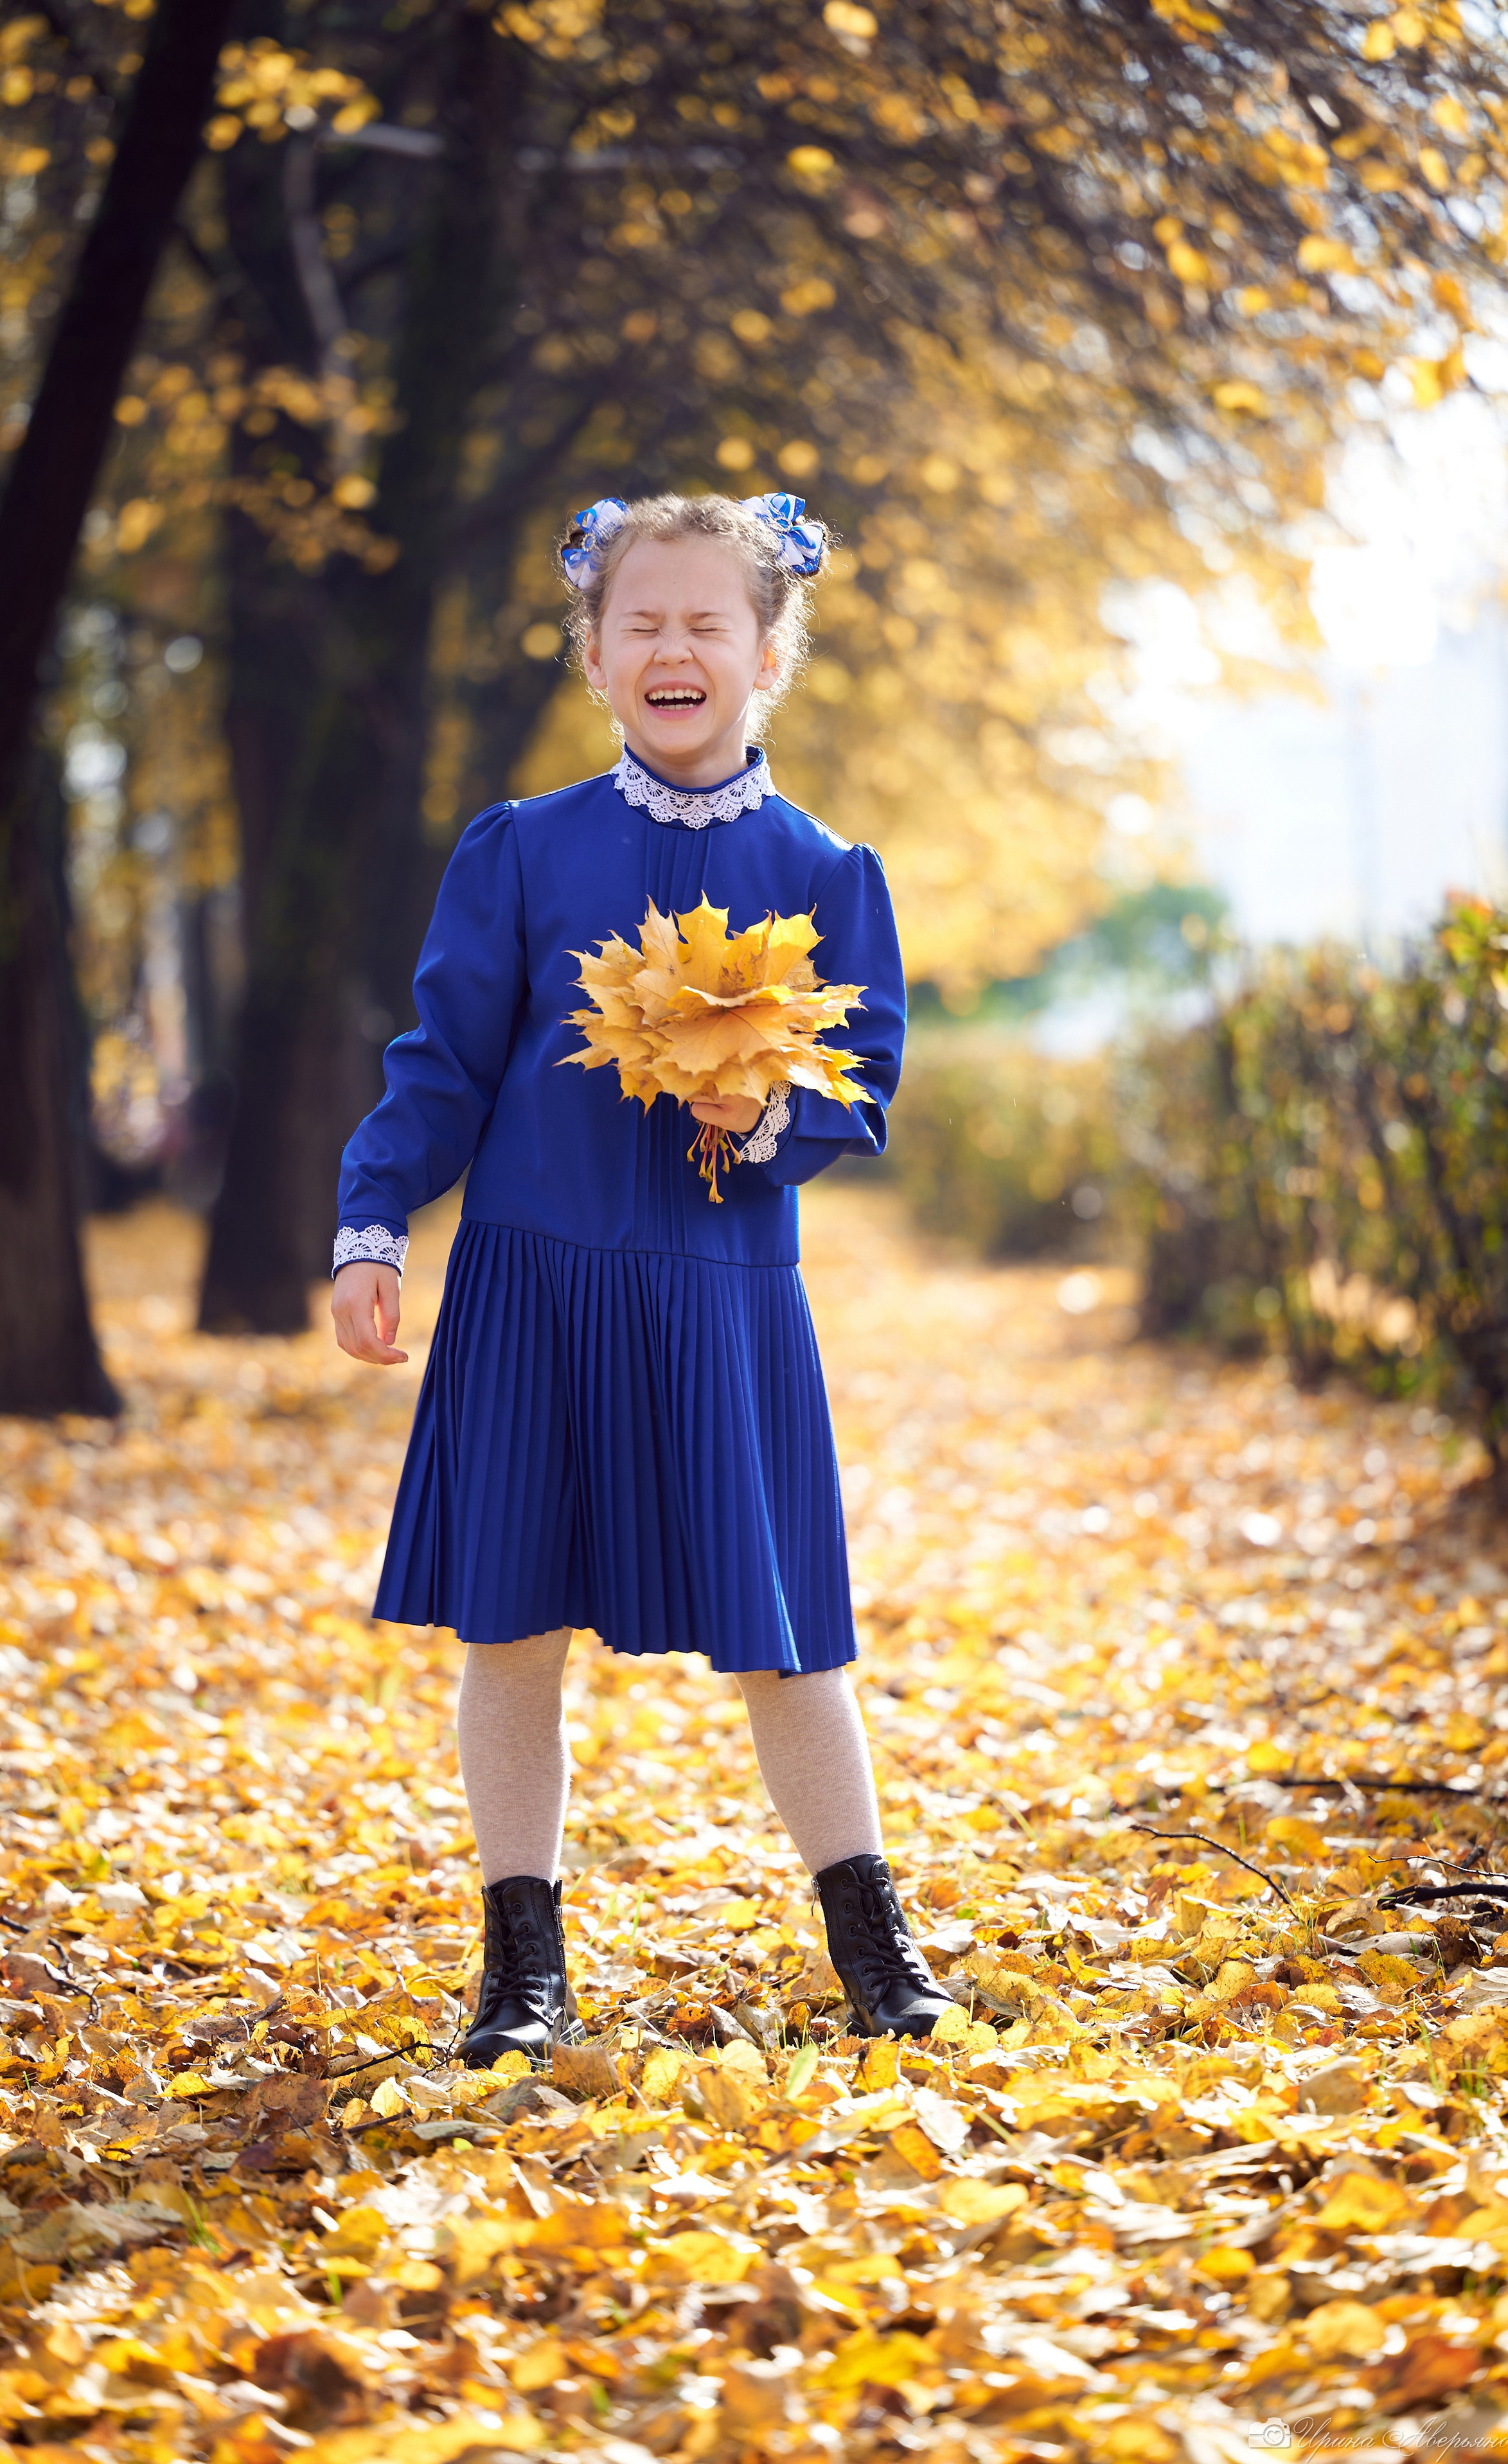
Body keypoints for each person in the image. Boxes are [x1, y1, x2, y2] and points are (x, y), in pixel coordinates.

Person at [331, 489, 950, 2066]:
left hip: (721, 1296)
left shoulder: (821, 866)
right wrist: (373, 1220)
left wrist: (770, 1114)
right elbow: (441, 1065)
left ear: (765, 651)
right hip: (531, 1294)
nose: (673, 648)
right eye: (641, 624)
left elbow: (864, 1081)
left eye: (706, 624)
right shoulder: (522, 851)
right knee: (510, 1627)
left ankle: (875, 1951)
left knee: (783, 1630)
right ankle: (519, 1967)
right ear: (593, 652)